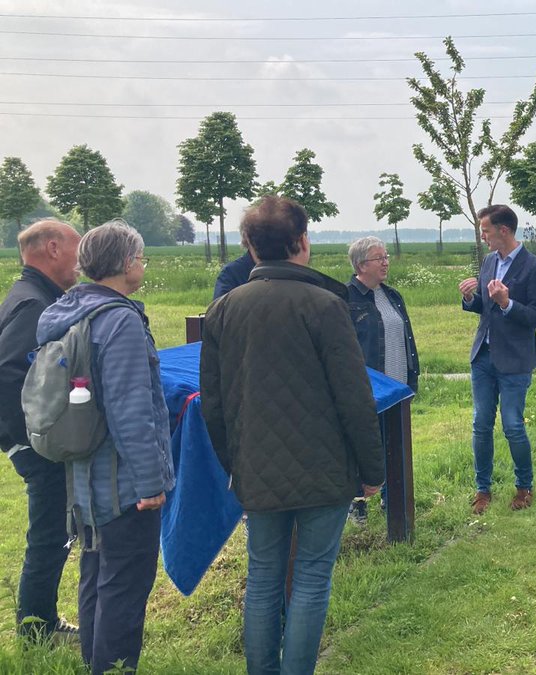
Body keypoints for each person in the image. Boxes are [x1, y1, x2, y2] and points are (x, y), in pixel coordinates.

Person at [200, 196, 385, 674]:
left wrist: (233, 463)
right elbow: (355, 398)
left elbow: (214, 403)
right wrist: (372, 471)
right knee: (311, 577)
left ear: (249, 246)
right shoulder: (325, 305)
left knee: (262, 575)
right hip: (323, 469)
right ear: (302, 242)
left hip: (255, 468)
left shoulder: (222, 310)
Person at [37, 220, 175, 673]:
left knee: (96, 578)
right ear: (126, 263)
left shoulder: (69, 310)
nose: (142, 263)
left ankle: (96, 665)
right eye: (139, 256)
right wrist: (151, 483)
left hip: (84, 478)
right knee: (125, 587)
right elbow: (130, 408)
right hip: (125, 486)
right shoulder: (119, 320)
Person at [0, 220, 81, 642]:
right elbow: (8, 373)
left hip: (34, 441)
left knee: (53, 530)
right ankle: (37, 629)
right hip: (37, 445)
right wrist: (30, 442)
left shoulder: (32, 294)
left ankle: (38, 622)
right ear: (52, 248)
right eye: (76, 249)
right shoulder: (34, 305)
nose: (81, 260)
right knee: (50, 533)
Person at [458, 204, 536, 515]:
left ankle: (524, 487)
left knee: (512, 425)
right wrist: (471, 299)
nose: (483, 236)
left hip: (514, 360)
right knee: (480, 424)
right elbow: (486, 307)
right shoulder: (488, 262)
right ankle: (482, 490)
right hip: (483, 357)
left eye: (486, 231)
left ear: (504, 231)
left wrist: (507, 302)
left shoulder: (534, 268)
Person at [346, 236, 420, 525]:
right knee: (366, 447)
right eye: (380, 258)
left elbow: (406, 339)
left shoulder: (392, 296)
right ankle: (358, 502)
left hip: (398, 387)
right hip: (369, 390)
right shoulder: (346, 298)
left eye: (387, 256)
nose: (386, 262)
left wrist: (412, 379)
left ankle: (393, 501)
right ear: (361, 264)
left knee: (395, 445)